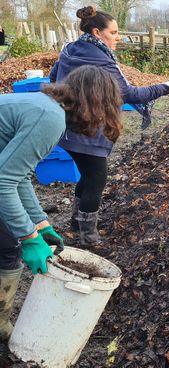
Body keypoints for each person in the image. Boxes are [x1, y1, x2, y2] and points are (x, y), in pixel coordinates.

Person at [0, 65, 120, 341]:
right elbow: (4, 181)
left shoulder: (46, 108)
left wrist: (40, 223)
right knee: (8, 248)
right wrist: (29, 237)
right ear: (96, 100)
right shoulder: (49, 117)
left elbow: (18, 176)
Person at [49, 6, 169, 244]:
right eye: (114, 32)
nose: (118, 37)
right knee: (97, 178)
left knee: (88, 174)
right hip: (88, 129)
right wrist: (164, 88)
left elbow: (53, 76)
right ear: (98, 32)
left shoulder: (70, 49)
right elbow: (128, 93)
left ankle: (77, 223)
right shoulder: (101, 59)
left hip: (66, 125)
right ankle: (88, 236)